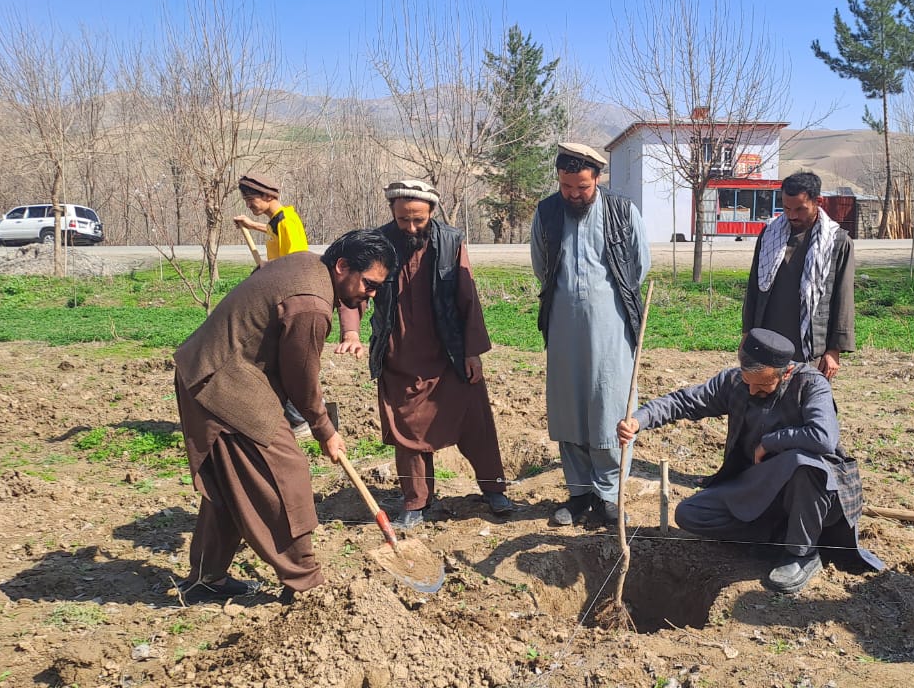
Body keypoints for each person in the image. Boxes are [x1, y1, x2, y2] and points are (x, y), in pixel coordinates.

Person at [173, 229, 395, 604]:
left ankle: (207, 577)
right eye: (369, 285)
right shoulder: (310, 305)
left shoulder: (308, 263)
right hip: (224, 382)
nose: (370, 296)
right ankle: (307, 585)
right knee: (284, 474)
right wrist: (326, 430)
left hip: (207, 368)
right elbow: (301, 380)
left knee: (232, 482)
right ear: (342, 266)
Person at [617, 328, 882, 593]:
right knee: (691, 514)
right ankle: (778, 537)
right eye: (749, 382)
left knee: (804, 464)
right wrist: (639, 420)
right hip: (758, 486)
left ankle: (801, 553)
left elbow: (823, 437)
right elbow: (683, 402)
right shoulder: (735, 383)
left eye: (764, 385)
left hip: (814, 492)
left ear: (785, 372)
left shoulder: (811, 384)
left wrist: (770, 442)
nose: (753, 390)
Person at [335, 179, 512, 531]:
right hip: (399, 354)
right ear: (393, 214)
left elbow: (467, 298)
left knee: (474, 421)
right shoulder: (377, 243)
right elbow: (354, 293)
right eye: (404, 220)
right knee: (407, 432)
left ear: (431, 212)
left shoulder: (450, 241)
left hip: (449, 352)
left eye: (418, 219)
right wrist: (351, 333)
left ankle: (494, 490)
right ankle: (417, 501)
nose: (412, 227)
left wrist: (472, 352)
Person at [532, 143, 650, 527]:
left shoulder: (622, 211)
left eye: (581, 187)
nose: (573, 194)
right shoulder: (547, 212)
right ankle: (579, 493)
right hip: (563, 323)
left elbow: (639, 265)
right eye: (567, 186)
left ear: (597, 179)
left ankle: (608, 494)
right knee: (570, 406)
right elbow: (540, 265)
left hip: (612, 323)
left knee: (610, 405)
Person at [743, 171, 855, 380]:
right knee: (764, 401)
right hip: (767, 340)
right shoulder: (769, 235)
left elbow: (843, 297)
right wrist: (747, 333)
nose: (792, 215)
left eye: (800, 209)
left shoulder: (837, 242)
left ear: (818, 202)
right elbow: (754, 289)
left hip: (811, 347)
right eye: (786, 208)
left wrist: (834, 350)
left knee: (808, 405)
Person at [232, 171, 315, 440]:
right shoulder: (276, 221)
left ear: (269, 196)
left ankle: (301, 420)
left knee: (277, 361)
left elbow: (297, 264)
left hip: (286, 303)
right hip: (275, 297)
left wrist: (268, 274)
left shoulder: (288, 222)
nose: (249, 205)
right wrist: (250, 225)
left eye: (251, 200)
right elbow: (273, 234)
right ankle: (300, 417)